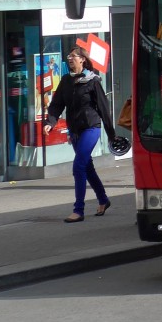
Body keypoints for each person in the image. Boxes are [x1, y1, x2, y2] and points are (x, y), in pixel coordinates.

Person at [43, 46, 116, 223]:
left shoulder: (93, 80)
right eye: (68, 56)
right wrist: (50, 122)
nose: (70, 58)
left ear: (82, 59)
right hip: (75, 130)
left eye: (73, 56)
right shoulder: (66, 80)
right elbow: (56, 104)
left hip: (91, 127)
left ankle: (78, 210)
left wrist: (111, 135)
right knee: (87, 167)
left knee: (78, 166)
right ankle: (103, 200)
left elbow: (104, 109)